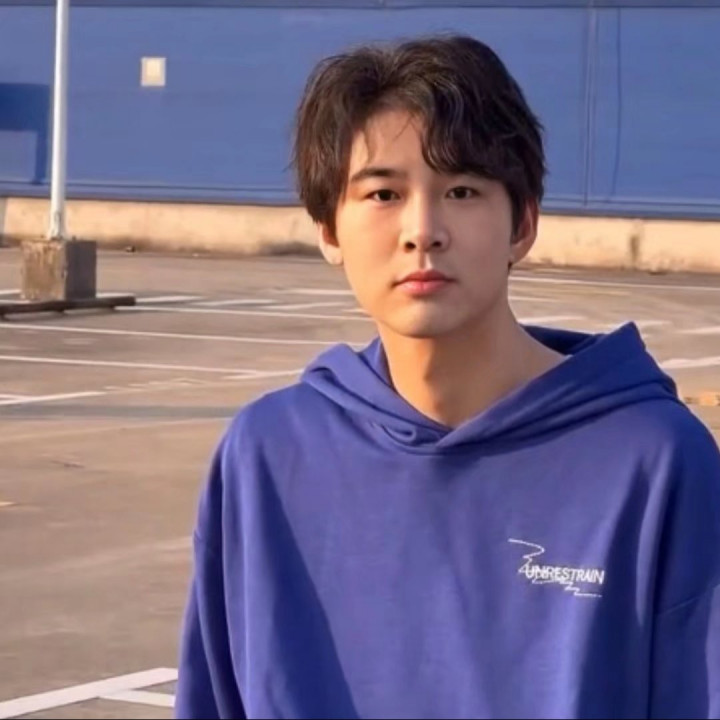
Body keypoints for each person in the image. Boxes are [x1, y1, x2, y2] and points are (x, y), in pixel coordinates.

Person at [175, 34, 720, 719]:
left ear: (523, 223)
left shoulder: (655, 461)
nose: (422, 230)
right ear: (329, 230)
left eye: (461, 191)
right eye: (383, 193)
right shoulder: (267, 455)